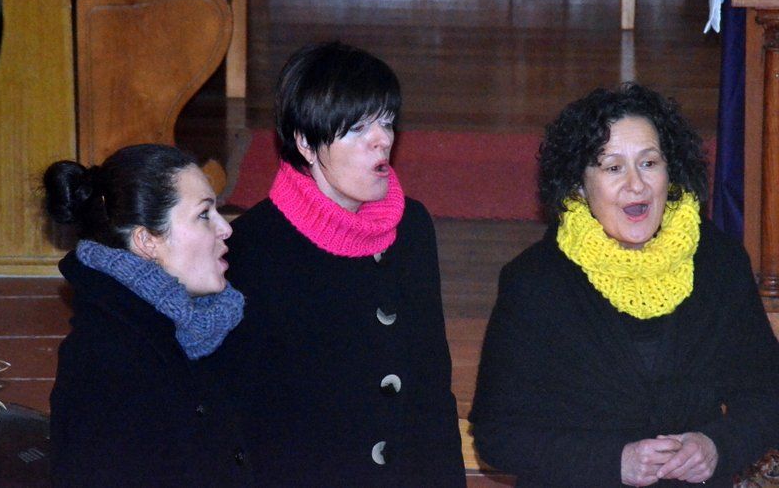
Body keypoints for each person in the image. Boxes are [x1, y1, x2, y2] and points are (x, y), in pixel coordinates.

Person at [469, 83, 779, 487]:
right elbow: (497, 435)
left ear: (671, 171)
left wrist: (717, 446)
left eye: (649, 163)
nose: (636, 185)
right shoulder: (535, 283)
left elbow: (768, 396)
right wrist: (615, 462)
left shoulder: (720, 264)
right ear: (579, 186)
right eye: (613, 168)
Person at [219, 41, 465, 486]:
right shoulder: (254, 248)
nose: (382, 140)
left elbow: (432, 387)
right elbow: (238, 414)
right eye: (357, 128)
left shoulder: (411, 226)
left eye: (386, 121)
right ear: (305, 143)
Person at [43, 144, 252, 486]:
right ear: (147, 241)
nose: (225, 229)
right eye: (204, 214)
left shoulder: (202, 325)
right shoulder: (106, 362)